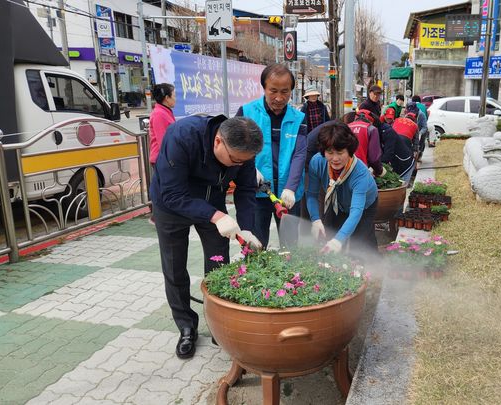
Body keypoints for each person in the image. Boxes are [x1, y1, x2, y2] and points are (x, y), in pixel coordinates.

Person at [150, 115, 264, 360]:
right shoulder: (181, 136)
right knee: (174, 266)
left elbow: (245, 189)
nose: (238, 165)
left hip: (211, 199)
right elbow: (171, 194)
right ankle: (186, 326)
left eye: (244, 162)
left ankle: (217, 323)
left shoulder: (243, 153)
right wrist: (215, 215)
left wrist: (247, 229)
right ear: (218, 141)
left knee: (218, 264)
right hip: (171, 204)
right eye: (234, 160)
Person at [236, 64, 307, 248]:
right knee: (257, 244)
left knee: (290, 246)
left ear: (292, 91)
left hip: (288, 194)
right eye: (273, 91)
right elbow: (235, 146)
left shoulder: (299, 118)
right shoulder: (247, 112)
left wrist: (291, 188)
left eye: (285, 92)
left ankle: (291, 277)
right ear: (264, 88)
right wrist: (249, 168)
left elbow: (299, 154)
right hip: (257, 190)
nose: (279, 97)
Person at [307, 122, 378, 256]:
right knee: (332, 235)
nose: (335, 158)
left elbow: (356, 211)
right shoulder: (317, 162)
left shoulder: (360, 173)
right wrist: (315, 219)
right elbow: (311, 195)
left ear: (350, 151)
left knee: (360, 241)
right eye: (329, 152)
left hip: (364, 206)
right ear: (323, 151)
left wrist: (338, 240)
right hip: (338, 203)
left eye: (340, 152)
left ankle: (374, 268)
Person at [345, 110, 384, 176]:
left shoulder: (346, 127)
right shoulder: (371, 129)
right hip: (360, 169)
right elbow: (374, 158)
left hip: (343, 169)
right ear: (370, 121)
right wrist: (379, 171)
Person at [379, 113, 415, 183]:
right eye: (387, 118)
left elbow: (388, 154)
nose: (389, 120)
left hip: (405, 161)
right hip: (402, 150)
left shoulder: (389, 132)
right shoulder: (394, 125)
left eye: (390, 118)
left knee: (401, 184)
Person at [148, 83, 176, 168]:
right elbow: (163, 142)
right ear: (167, 98)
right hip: (162, 160)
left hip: (165, 159)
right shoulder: (159, 114)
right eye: (174, 96)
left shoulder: (164, 112)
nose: (176, 99)